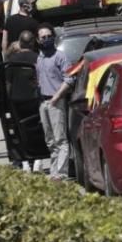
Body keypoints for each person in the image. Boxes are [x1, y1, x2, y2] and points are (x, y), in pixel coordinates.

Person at [35, 25, 73, 181]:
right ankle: (54, 171)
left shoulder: (60, 56)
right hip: (43, 102)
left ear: (53, 37)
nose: (46, 39)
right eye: (43, 37)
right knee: (50, 140)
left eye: (49, 36)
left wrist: (56, 97)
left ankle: (62, 173)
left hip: (55, 101)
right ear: (38, 40)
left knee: (60, 139)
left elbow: (69, 79)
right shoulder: (40, 57)